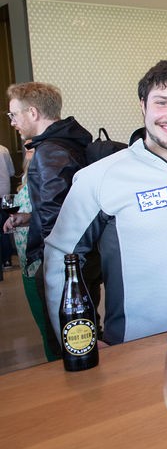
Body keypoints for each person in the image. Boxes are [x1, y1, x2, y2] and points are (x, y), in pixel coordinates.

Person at [43, 60, 167, 344]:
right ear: (143, 105)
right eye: (162, 102)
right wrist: (77, 341)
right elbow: (61, 258)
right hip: (134, 347)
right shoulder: (99, 178)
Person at [8, 82, 94, 356]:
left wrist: (44, 263)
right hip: (84, 259)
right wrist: (29, 218)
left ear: (32, 113)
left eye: (13, 115)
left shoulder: (49, 151)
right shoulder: (72, 142)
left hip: (62, 265)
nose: (13, 123)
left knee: (62, 344)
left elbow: (55, 221)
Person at [3, 149, 59, 360]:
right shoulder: (27, 180)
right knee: (43, 322)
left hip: (37, 260)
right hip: (28, 259)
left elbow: (51, 213)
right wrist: (16, 219)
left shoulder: (46, 179)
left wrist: (25, 218)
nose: (28, 149)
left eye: (32, 146)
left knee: (47, 324)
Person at [0, 143, 15, 269]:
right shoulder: (4, 149)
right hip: (6, 193)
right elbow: (12, 172)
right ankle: (7, 260)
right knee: (7, 225)